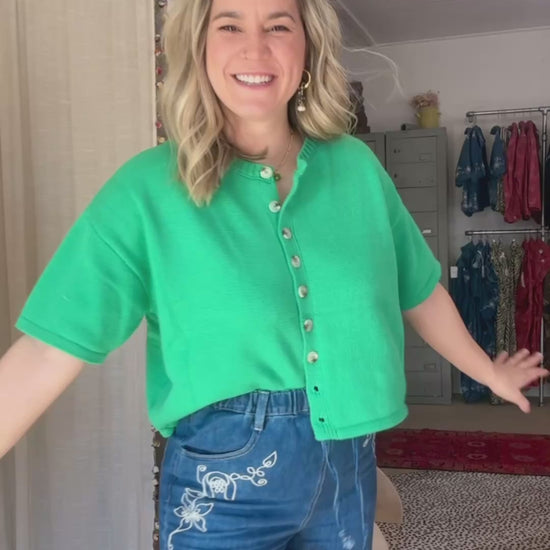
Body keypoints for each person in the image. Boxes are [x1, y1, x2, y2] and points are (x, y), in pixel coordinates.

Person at [0, 0, 547, 548]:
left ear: (307, 45)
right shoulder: (145, 191)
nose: (255, 47)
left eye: (278, 25)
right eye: (230, 24)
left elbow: (419, 290)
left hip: (347, 463)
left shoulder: (357, 168)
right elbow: (48, 350)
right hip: (222, 481)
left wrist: (487, 372)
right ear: (199, 45)